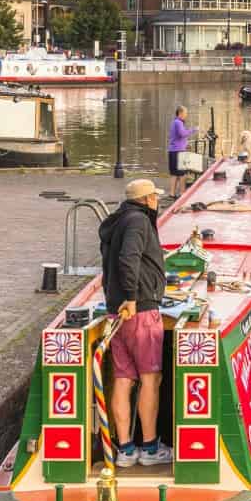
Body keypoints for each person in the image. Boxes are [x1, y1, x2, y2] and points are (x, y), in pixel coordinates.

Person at [98, 178, 171, 467]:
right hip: (139, 310)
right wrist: (132, 296)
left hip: (117, 315)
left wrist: (120, 300)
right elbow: (129, 258)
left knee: (124, 380)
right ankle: (151, 449)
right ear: (147, 200)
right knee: (151, 379)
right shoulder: (139, 222)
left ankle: (126, 450)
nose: (158, 201)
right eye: (156, 197)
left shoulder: (116, 222)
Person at [168, 105, 194, 181]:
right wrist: (193, 130)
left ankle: (172, 193)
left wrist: (186, 144)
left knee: (174, 174)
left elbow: (177, 137)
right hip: (178, 152)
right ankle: (182, 192)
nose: (186, 115)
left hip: (172, 150)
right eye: (185, 113)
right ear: (180, 113)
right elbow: (182, 134)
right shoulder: (178, 122)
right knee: (182, 174)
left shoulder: (174, 122)